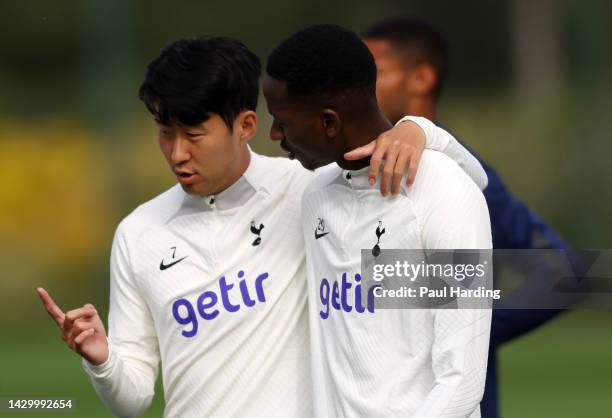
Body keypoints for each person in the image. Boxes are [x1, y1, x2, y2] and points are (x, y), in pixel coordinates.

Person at [37, 36, 487, 417]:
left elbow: (459, 363)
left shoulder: (304, 187)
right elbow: (132, 395)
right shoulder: (141, 232)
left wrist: (421, 131)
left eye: (193, 135)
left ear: (245, 125)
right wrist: (104, 360)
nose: (176, 154)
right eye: (163, 132)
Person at [263, 24, 492, 418]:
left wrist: (423, 130)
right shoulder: (315, 193)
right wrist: (420, 128)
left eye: (282, 121)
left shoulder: (444, 194)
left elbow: (462, 381)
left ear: (330, 123)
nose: (273, 134)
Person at [362, 17, 572, 418]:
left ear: (422, 77)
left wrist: (471, 330)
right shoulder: (349, 175)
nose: (359, 84)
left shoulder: (458, 175)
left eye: (374, 71)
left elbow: (565, 274)